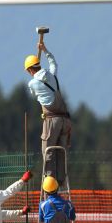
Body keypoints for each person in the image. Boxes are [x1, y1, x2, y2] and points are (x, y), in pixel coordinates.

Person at [25, 42, 72, 185]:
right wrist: (44, 49)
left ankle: (49, 184)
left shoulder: (32, 83)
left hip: (51, 121)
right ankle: (61, 181)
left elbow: (34, 93)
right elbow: (53, 63)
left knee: (48, 152)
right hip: (65, 121)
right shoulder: (52, 75)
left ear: (29, 71)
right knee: (61, 152)